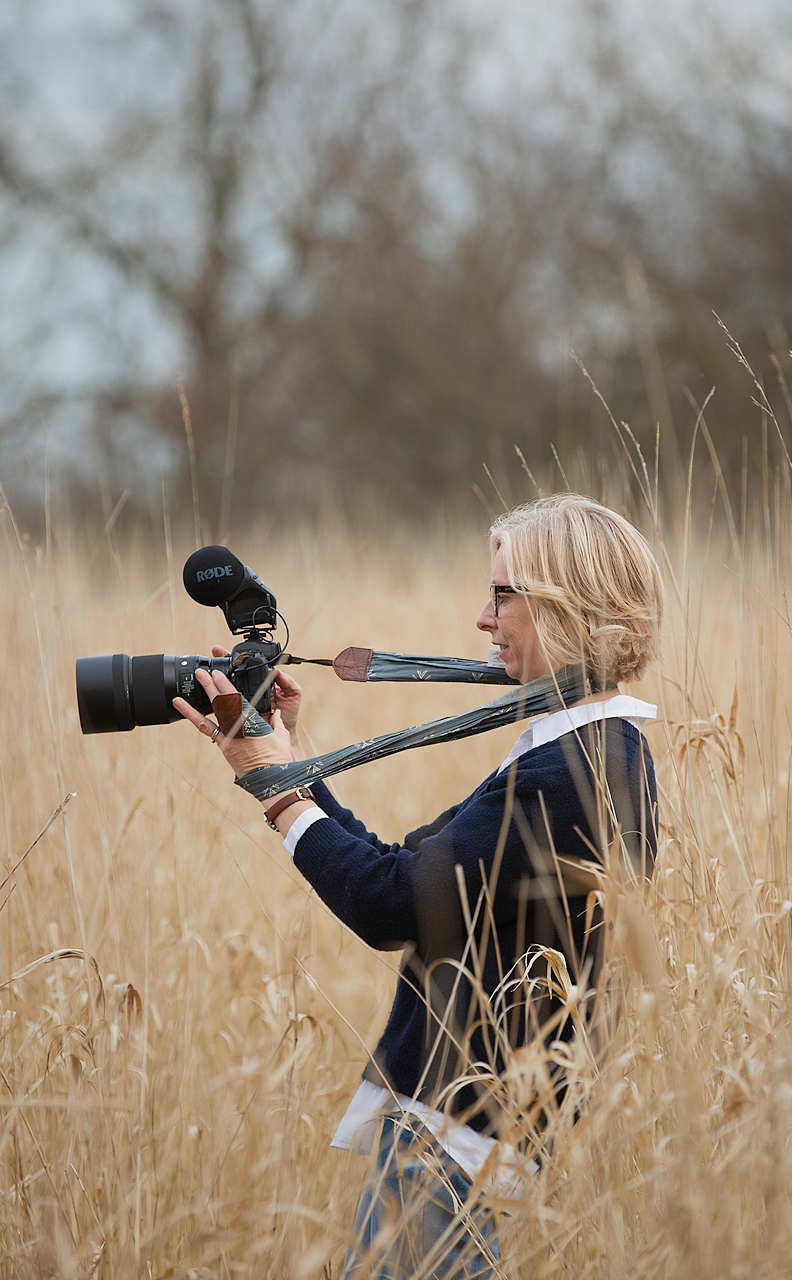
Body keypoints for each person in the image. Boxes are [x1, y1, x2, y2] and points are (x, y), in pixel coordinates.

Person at [174, 494, 663, 1278]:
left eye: (503, 595)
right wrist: (294, 759)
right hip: (457, 1130)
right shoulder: (584, 751)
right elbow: (406, 876)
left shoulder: (581, 767)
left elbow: (390, 905)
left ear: (570, 606)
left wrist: (277, 792)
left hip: (455, 1141)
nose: (482, 617)